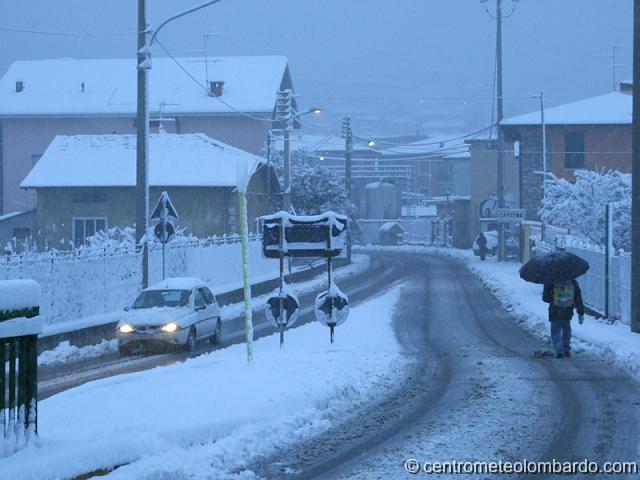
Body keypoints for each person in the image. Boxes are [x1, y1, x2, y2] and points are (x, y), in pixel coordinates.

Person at [543, 279, 585, 358]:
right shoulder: (572, 282)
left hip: (555, 310)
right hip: (567, 310)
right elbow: (578, 298)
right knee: (566, 328)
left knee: (555, 331)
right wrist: (581, 312)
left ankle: (559, 351)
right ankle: (566, 349)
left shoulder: (550, 280)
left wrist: (555, 298)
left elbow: (545, 298)